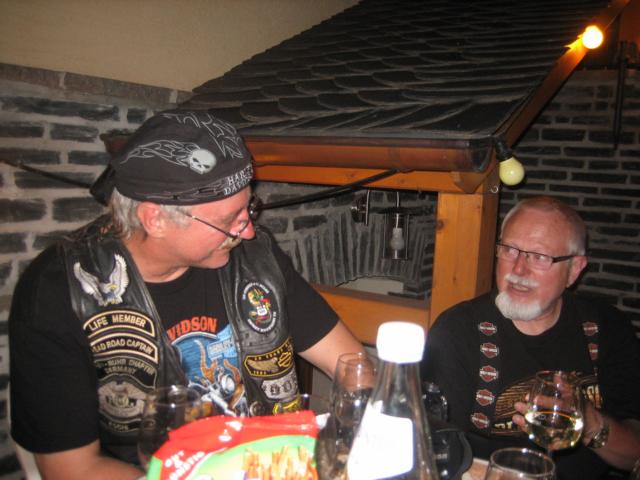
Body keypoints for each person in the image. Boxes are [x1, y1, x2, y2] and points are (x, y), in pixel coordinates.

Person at [9, 110, 365, 479]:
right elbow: (71, 469)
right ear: (155, 219)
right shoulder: (60, 290)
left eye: (249, 209)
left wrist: (358, 442)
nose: (248, 231)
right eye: (228, 220)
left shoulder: (256, 257)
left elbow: (351, 362)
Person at [422, 196, 640, 479]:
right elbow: (436, 451)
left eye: (539, 257)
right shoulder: (457, 331)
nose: (518, 270)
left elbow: (633, 455)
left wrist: (590, 423)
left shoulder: (607, 327)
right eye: (509, 250)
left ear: (574, 269)